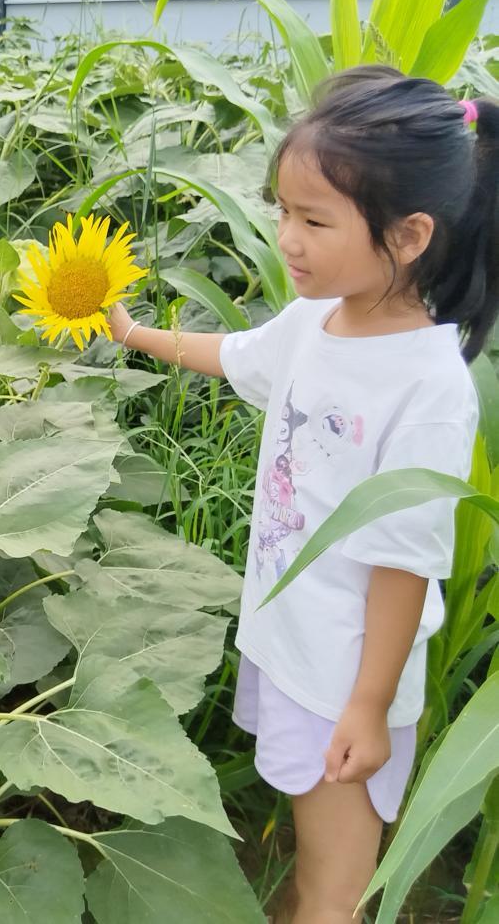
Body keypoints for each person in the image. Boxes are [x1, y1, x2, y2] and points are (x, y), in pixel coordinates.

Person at [109, 67, 494, 923]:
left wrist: (368, 705)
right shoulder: (316, 319)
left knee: (336, 886)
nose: (287, 238)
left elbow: (403, 564)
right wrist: (134, 333)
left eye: (314, 220)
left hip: (346, 675)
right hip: (289, 642)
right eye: (282, 210)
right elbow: (233, 355)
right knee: (311, 840)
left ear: (409, 235)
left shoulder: (427, 385)